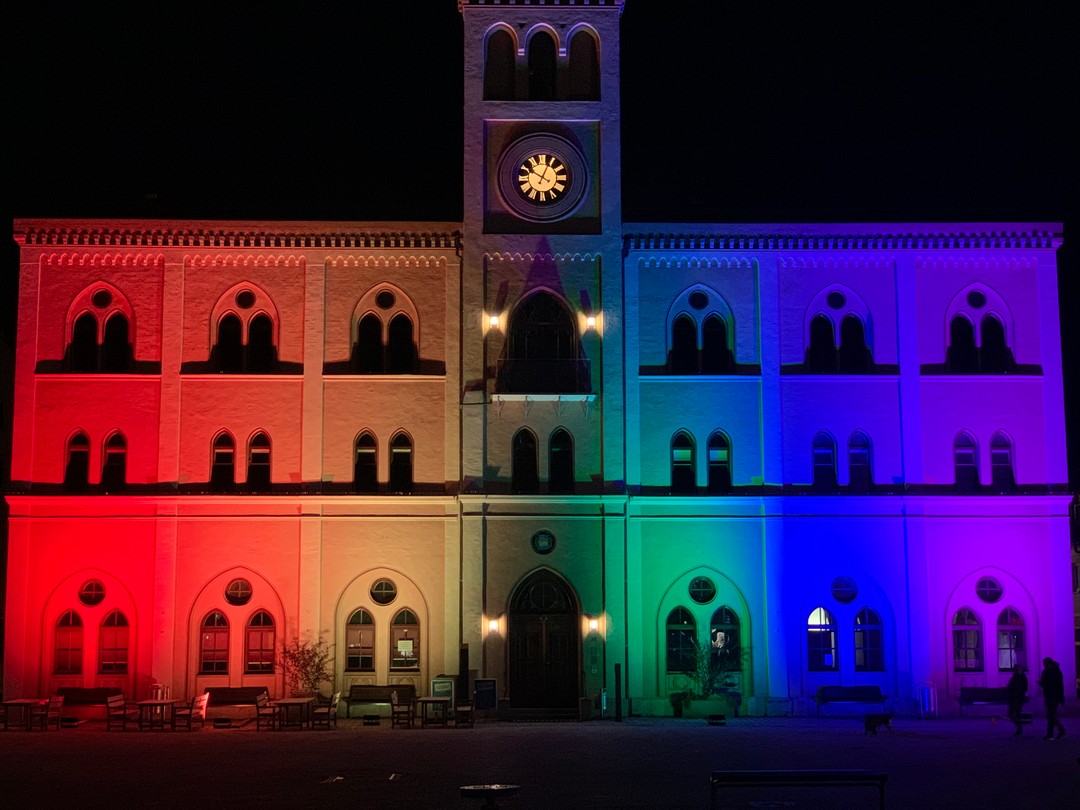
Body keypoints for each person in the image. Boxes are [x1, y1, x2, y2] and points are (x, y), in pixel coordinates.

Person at [1037, 657, 1066, 740]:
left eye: (1045, 663)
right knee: (1051, 715)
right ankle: (1059, 730)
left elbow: (1058, 685)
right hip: (1050, 695)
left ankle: (1051, 733)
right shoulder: (1049, 671)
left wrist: (1061, 698)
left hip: (1053, 695)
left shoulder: (1053, 671)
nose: (1044, 665)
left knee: (1051, 715)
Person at [1005, 664, 1028, 736]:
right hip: (1016, 698)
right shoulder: (1019, 677)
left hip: (1016, 698)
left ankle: (1019, 728)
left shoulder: (1018, 677)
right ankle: (1019, 727)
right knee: (1014, 714)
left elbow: (1020, 688)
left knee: (1013, 714)